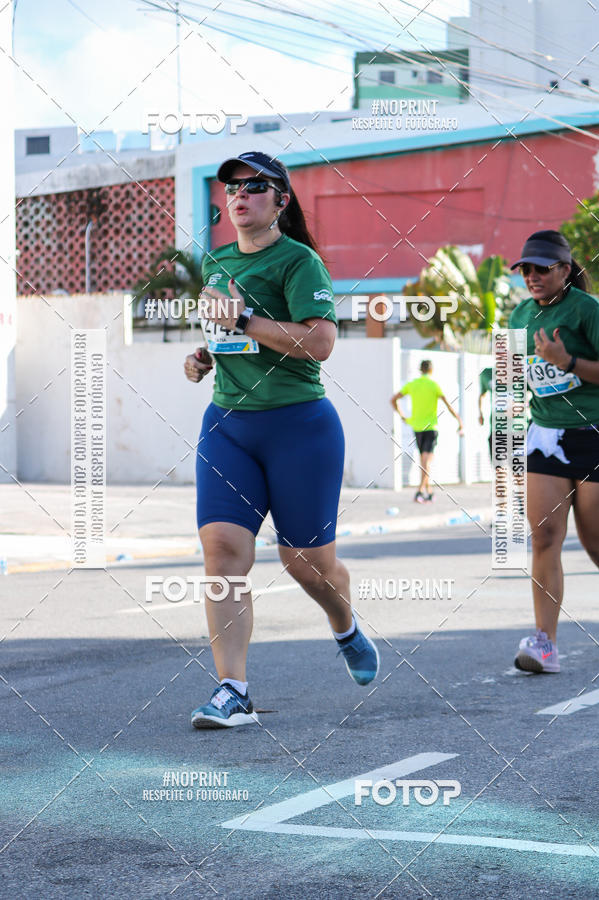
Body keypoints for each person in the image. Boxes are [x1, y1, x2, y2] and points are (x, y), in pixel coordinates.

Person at [183, 151, 379, 728]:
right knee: (222, 553)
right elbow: (229, 342)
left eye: (254, 186)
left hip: (299, 428)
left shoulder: (301, 263)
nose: (239, 195)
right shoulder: (215, 263)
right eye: (232, 188)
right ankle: (233, 689)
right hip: (228, 427)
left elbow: (319, 344)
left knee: (307, 564)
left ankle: (344, 625)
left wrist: (242, 322)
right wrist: (204, 357)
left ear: (281, 201)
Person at [509, 230, 599, 673]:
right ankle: (545, 644)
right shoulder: (519, 315)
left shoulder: (588, 311)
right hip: (545, 435)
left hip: (592, 432)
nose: (532, 276)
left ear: (565, 269)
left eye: (542, 268)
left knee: (596, 543)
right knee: (544, 537)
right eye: (526, 268)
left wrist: (568, 362)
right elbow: (512, 378)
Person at [390, 359, 463, 502]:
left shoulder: (413, 385)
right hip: (430, 427)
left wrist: (403, 416)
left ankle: (429, 492)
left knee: (423, 461)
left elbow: (393, 399)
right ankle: (419, 491)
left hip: (416, 427)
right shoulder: (433, 385)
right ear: (431, 370)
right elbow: (448, 405)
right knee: (426, 461)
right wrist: (459, 421)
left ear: (420, 370)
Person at [478, 365, 493, 459]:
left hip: (518, 429)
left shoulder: (520, 371)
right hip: (496, 429)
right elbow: (482, 395)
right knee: (499, 471)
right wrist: (481, 413)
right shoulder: (487, 373)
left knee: (518, 472)